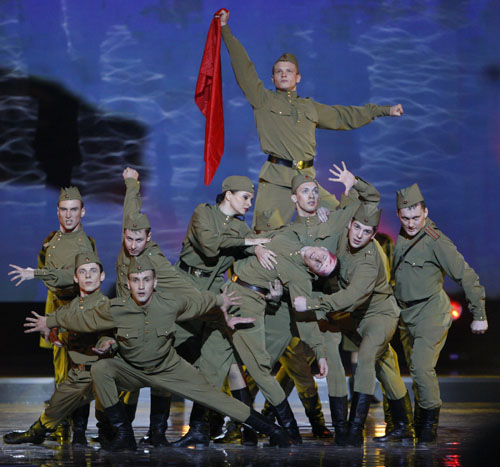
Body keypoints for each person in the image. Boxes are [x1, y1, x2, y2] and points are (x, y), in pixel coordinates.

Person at [25, 255, 294, 451]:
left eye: (146, 280)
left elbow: (201, 301)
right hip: (130, 370)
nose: (140, 286)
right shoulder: (116, 308)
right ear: (128, 283)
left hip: (170, 370)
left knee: (216, 398)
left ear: (154, 282)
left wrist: (222, 301)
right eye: (135, 280)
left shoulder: (171, 303)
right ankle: (124, 437)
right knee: (101, 369)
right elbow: (82, 320)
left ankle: (275, 431)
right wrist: (49, 322)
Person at [216, 9, 404, 224]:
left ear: (298, 77)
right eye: (279, 71)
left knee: (339, 220)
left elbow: (344, 116)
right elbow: (244, 69)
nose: (284, 74)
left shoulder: (309, 107)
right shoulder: (263, 100)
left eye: (289, 71)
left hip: (306, 181)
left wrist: (383, 110)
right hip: (277, 182)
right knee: (267, 239)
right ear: (273, 78)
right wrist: (225, 30)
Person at [196, 228, 334, 445]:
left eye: (319, 265)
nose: (318, 259)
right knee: (212, 364)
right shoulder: (289, 235)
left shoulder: (301, 278)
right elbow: (248, 238)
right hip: (228, 293)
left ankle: (289, 433)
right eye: (322, 257)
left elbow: (305, 316)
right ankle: (224, 431)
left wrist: (320, 352)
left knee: (259, 370)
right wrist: (257, 248)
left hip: (248, 303)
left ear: (313, 272)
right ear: (322, 248)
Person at [295, 203, 411, 447]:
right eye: (356, 227)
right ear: (349, 224)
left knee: (372, 358)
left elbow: (351, 298)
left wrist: (314, 304)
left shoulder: (369, 259)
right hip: (347, 314)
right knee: (331, 352)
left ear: (373, 234)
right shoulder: (340, 237)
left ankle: (359, 429)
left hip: (377, 312)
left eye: (366, 231)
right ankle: (341, 426)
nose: (359, 234)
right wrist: (328, 208)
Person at [172, 174, 273, 446]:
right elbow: (210, 244)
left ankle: (223, 428)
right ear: (228, 195)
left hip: (215, 294)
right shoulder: (203, 212)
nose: (249, 203)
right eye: (245, 197)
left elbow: (253, 248)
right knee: (161, 347)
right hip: (185, 286)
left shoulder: (241, 229)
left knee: (224, 361)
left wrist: (259, 251)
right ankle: (157, 428)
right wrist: (250, 244)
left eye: (251, 198)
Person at [392, 183, 487, 445]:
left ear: (426, 212)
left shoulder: (437, 241)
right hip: (405, 315)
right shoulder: (398, 238)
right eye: (406, 218)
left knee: (422, 369)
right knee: (416, 371)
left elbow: (466, 275)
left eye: (416, 217)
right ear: (398, 215)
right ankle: (420, 422)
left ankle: (428, 427)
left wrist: (479, 312)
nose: (411, 224)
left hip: (431, 312)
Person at [8, 186, 96, 441]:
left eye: (74, 210)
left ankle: (78, 429)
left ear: (83, 212)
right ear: (58, 212)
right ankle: (61, 426)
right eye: (64, 210)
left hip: (78, 310)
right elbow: (47, 273)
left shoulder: (86, 244)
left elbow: (80, 279)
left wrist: (37, 274)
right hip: (55, 307)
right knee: (59, 372)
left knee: (79, 371)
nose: (69, 216)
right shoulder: (51, 240)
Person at [4, 252, 109, 447]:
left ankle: (116, 433)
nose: (88, 276)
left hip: (109, 373)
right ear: (76, 278)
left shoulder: (109, 307)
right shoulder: (67, 309)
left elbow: (95, 324)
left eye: (93, 271)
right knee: (60, 400)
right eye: (83, 272)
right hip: (82, 374)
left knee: (101, 390)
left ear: (102, 276)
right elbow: (58, 328)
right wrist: (54, 334)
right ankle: (42, 432)